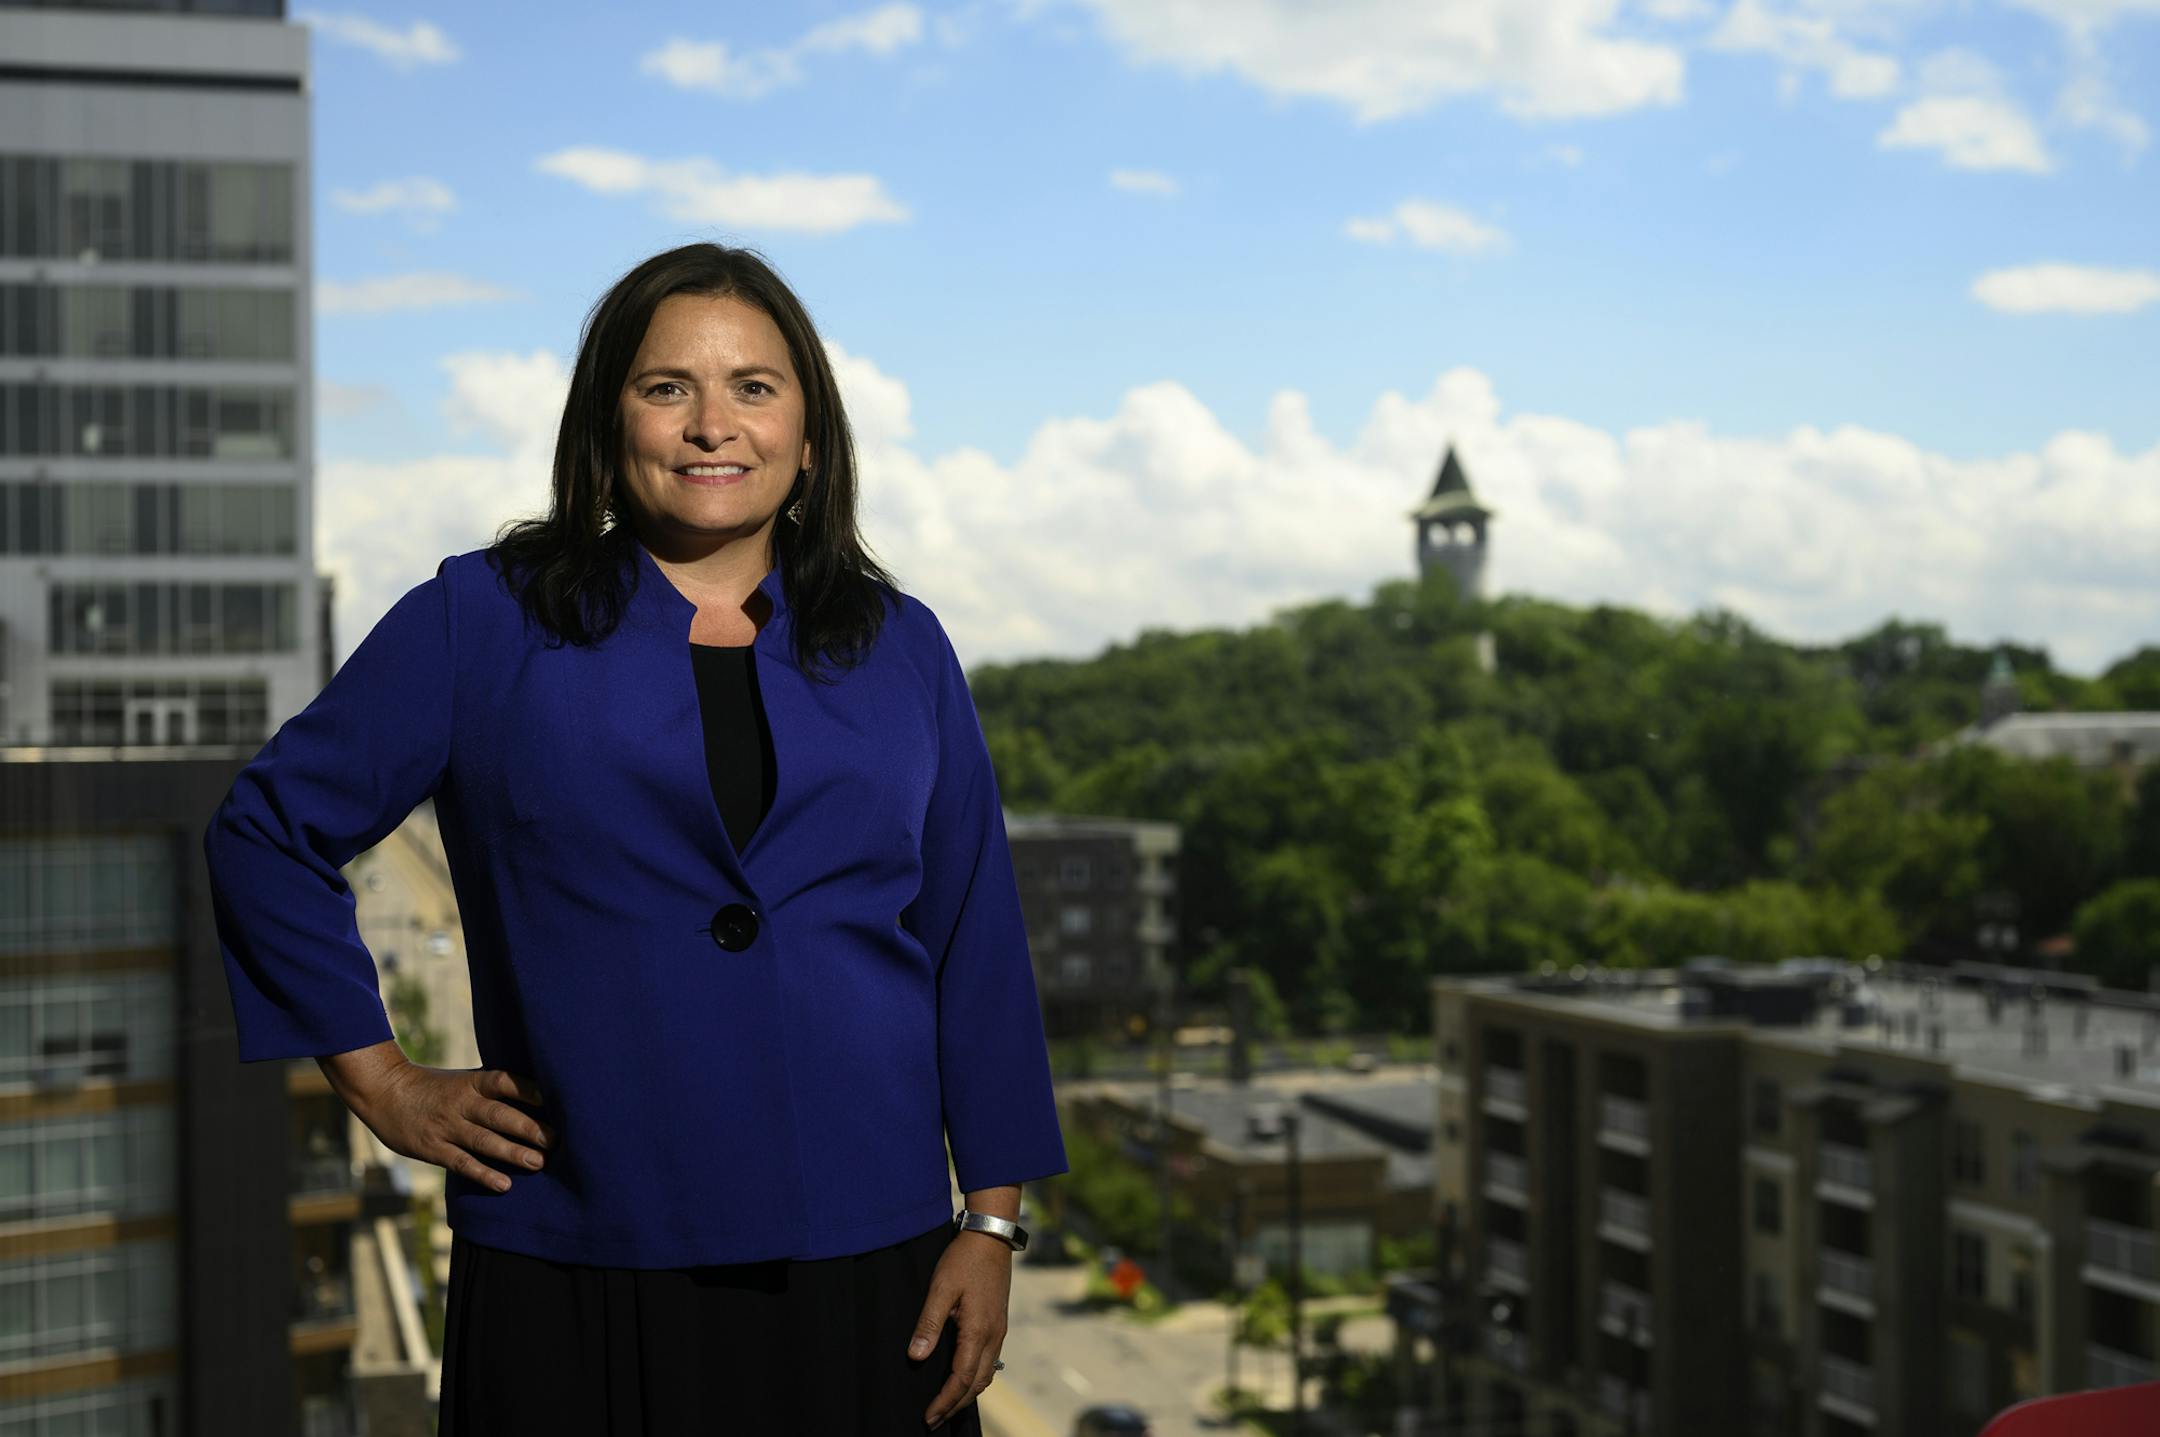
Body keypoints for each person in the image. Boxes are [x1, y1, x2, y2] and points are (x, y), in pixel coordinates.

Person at [203, 242, 1069, 1434]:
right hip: (580, 1251)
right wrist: (383, 1081)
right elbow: (268, 830)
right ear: (608, 425)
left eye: (755, 388)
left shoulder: (901, 644)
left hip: (874, 1258)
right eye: (669, 388)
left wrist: (991, 1222)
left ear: (810, 435)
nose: (714, 425)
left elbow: (975, 940)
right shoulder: (481, 617)